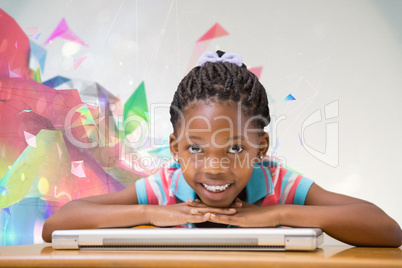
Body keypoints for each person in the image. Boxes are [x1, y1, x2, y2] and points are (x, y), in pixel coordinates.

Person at [42, 51, 402, 247]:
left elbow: (386, 230)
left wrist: (278, 215)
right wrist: (148, 214)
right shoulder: (165, 189)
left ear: (261, 148)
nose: (213, 167)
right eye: (195, 149)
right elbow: (57, 224)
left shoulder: (278, 185)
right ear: (175, 149)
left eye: (234, 148)